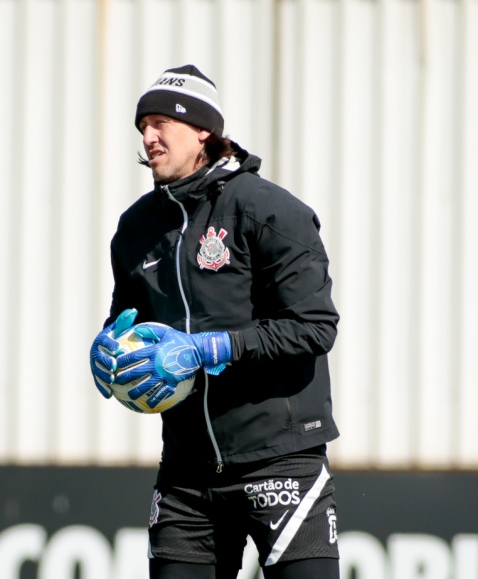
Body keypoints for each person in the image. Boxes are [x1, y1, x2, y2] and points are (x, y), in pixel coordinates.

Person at [89, 64, 341, 579]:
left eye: (161, 123)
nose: (148, 137)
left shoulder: (268, 210)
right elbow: (127, 319)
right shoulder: (137, 228)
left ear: (203, 130)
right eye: (142, 126)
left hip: (280, 459)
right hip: (186, 470)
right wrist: (108, 350)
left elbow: (314, 327)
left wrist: (209, 348)